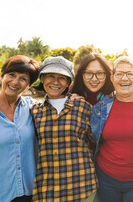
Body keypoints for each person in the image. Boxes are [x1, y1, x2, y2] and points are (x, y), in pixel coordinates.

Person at [91, 56, 133, 202]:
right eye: (119, 74)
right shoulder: (101, 107)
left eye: (130, 74)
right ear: (112, 78)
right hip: (106, 179)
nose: (125, 78)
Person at [31, 56, 97, 202]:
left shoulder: (83, 107)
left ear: (68, 82)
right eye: (50, 76)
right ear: (42, 78)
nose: (55, 82)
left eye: (62, 77)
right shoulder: (34, 111)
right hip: (47, 191)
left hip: (83, 189)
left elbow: (97, 141)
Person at [0, 55, 39, 202]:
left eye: (23, 79)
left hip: (29, 195)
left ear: (29, 85)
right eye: (11, 75)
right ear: (2, 76)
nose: (15, 82)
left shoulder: (33, 108)